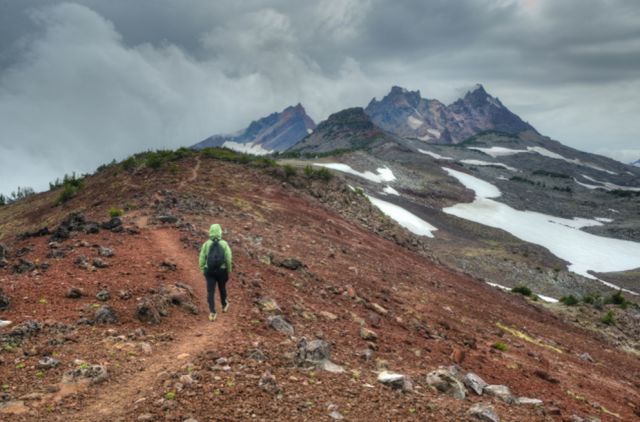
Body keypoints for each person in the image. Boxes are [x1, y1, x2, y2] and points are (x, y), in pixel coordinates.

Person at [199, 224, 233, 321]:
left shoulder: (206, 244)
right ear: (220, 232)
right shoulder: (224, 244)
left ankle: (212, 312)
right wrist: (228, 269)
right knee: (222, 288)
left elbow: (201, 258)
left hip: (209, 271)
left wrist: (203, 269)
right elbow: (228, 258)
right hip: (222, 271)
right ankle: (224, 304)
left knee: (210, 291)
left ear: (210, 232)